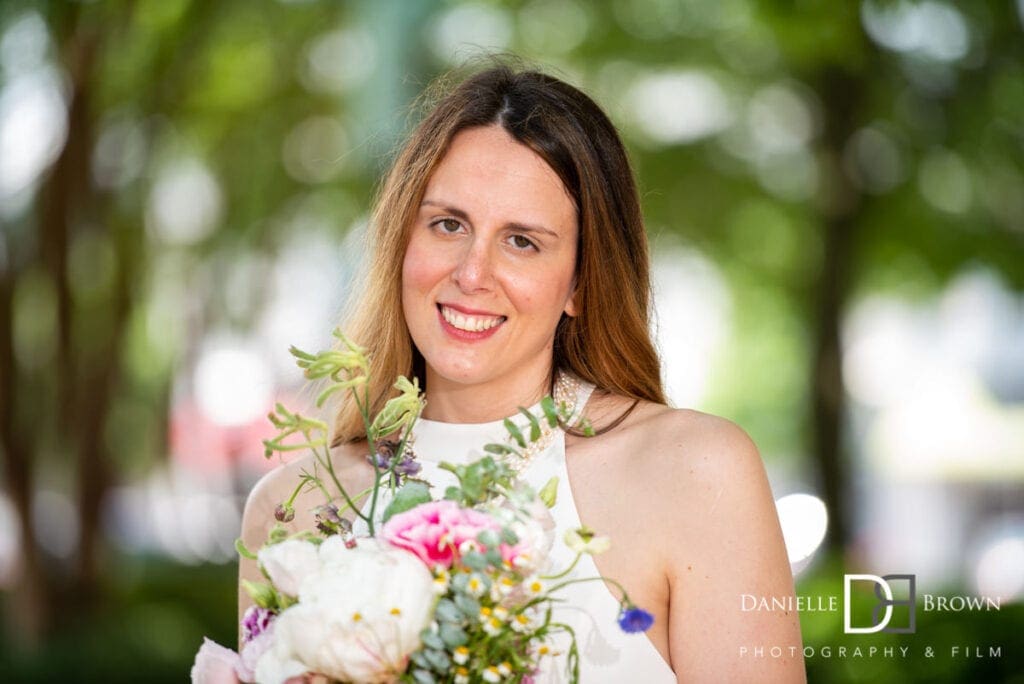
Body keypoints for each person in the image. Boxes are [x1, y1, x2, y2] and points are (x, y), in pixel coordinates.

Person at [239, 63, 806, 683]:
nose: (472, 273)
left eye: (522, 242)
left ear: (582, 284)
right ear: (402, 239)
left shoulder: (696, 472)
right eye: (448, 224)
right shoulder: (293, 511)